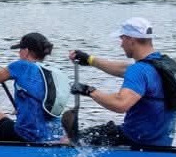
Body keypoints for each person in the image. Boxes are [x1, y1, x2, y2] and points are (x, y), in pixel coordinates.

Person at [68, 17, 176, 147]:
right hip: (161, 142)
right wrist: (89, 59)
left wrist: (89, 91)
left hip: (135, 140)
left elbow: (120, 104)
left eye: (122, 39)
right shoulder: (167, 65)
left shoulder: (139, 70)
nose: (121, 44)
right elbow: (124, 69)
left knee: (71, 140)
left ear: (131, 40)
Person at [0, 33, 67, 143]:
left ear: (26, 51)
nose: (19, 53)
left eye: (20, 49)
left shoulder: (22, 66)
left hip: (28, 136)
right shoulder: (52, 72)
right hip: (54, 133)